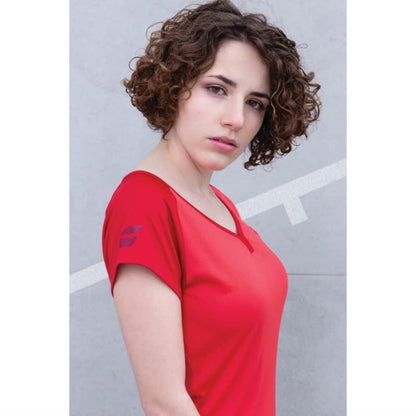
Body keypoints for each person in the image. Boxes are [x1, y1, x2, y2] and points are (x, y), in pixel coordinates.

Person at [102, 0, 321, 415]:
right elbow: (165, 403)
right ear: (175, 85)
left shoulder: (216, 203)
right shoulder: (144, 205)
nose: (236, 118)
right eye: (216, 89)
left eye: (255, 102)